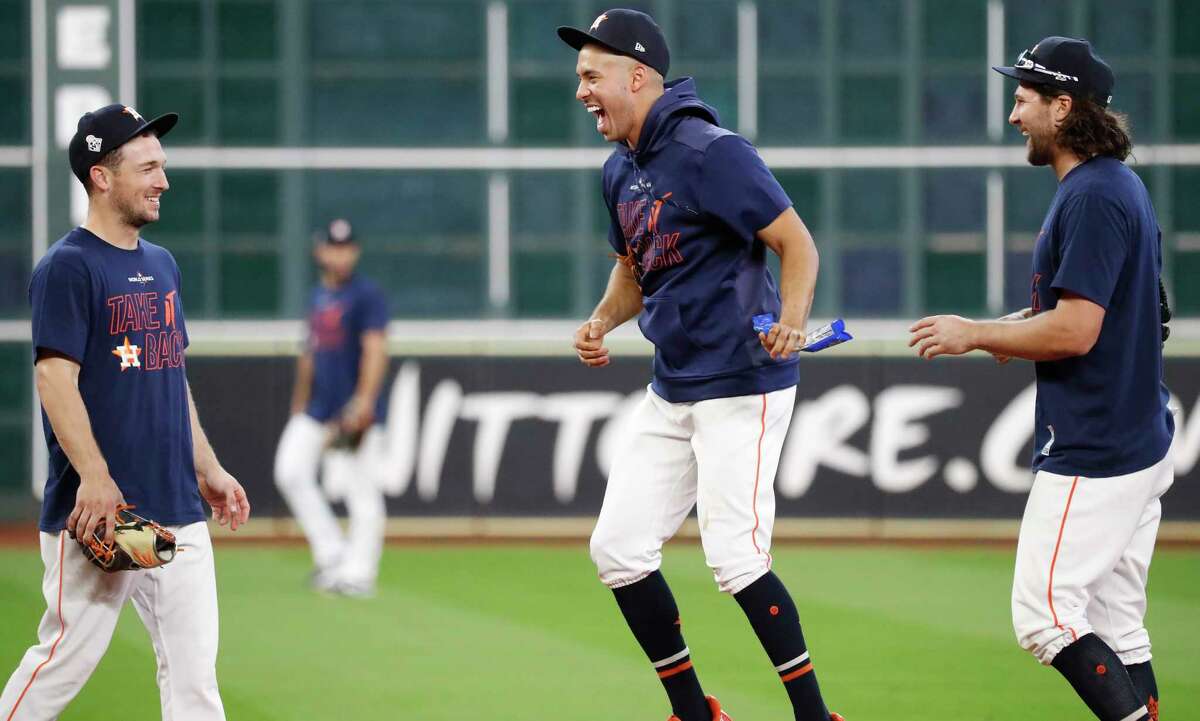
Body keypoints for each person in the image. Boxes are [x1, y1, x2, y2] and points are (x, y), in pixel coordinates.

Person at [559, 10, 842, 721]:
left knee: (736, 558)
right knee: (618, 549)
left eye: (592, 76)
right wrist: (600, 320)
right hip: (674, 383)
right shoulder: (619, 168)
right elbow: (635, 270)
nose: (582, 91)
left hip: (742, 382)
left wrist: (793, 321)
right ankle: (694, 710)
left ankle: (815, 715)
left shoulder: (711, 151)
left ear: (639, 75)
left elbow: (797, 243)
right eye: (580, 78)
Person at [909, 37, 1172, 721]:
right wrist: (1006, 327)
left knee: (1044, 613)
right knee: (1118, 626)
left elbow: (1077, 330)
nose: (1012, 114)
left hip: (1097, 442)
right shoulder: (1119, 186)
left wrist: (976, 331)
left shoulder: (1091, 196)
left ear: (1064, 106)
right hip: (1135, 432)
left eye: (1023, 98)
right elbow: (1112, 311)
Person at [1, 104, 250, 720]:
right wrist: (94, 476)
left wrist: (208, 467)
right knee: (63, 663)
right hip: (110, 514)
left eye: (161, 166)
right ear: (102, 177)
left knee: (195, 682)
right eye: (147, 168)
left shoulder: (161, 264)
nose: (162, 180)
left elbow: (170, 375)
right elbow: (53, 377)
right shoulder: (69, 266)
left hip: (177, 510)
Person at [273, 218, 389, 598]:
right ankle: (332, 554)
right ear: (320, 251)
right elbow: (309, 351)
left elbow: (375, 349)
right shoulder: (318, 296)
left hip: (353, 408)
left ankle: (359, 572)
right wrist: (299, 401)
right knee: (290, 472)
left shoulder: (366, 295)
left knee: (361, 490)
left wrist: (364, 401)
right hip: (318, 407)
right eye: (334, 247)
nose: (341, 253)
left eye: (347, 247)